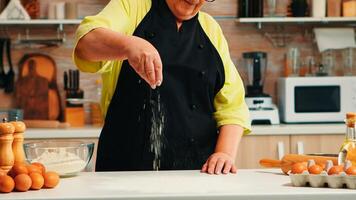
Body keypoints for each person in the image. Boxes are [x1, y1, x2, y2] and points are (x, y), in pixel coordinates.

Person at [73, 0, 251, 175]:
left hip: (198, 173)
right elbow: (85, 44)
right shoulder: (132, 6)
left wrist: (224, 153)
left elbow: (232, 107)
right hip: (125, 169)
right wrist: (129, 45)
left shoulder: (211, 29)